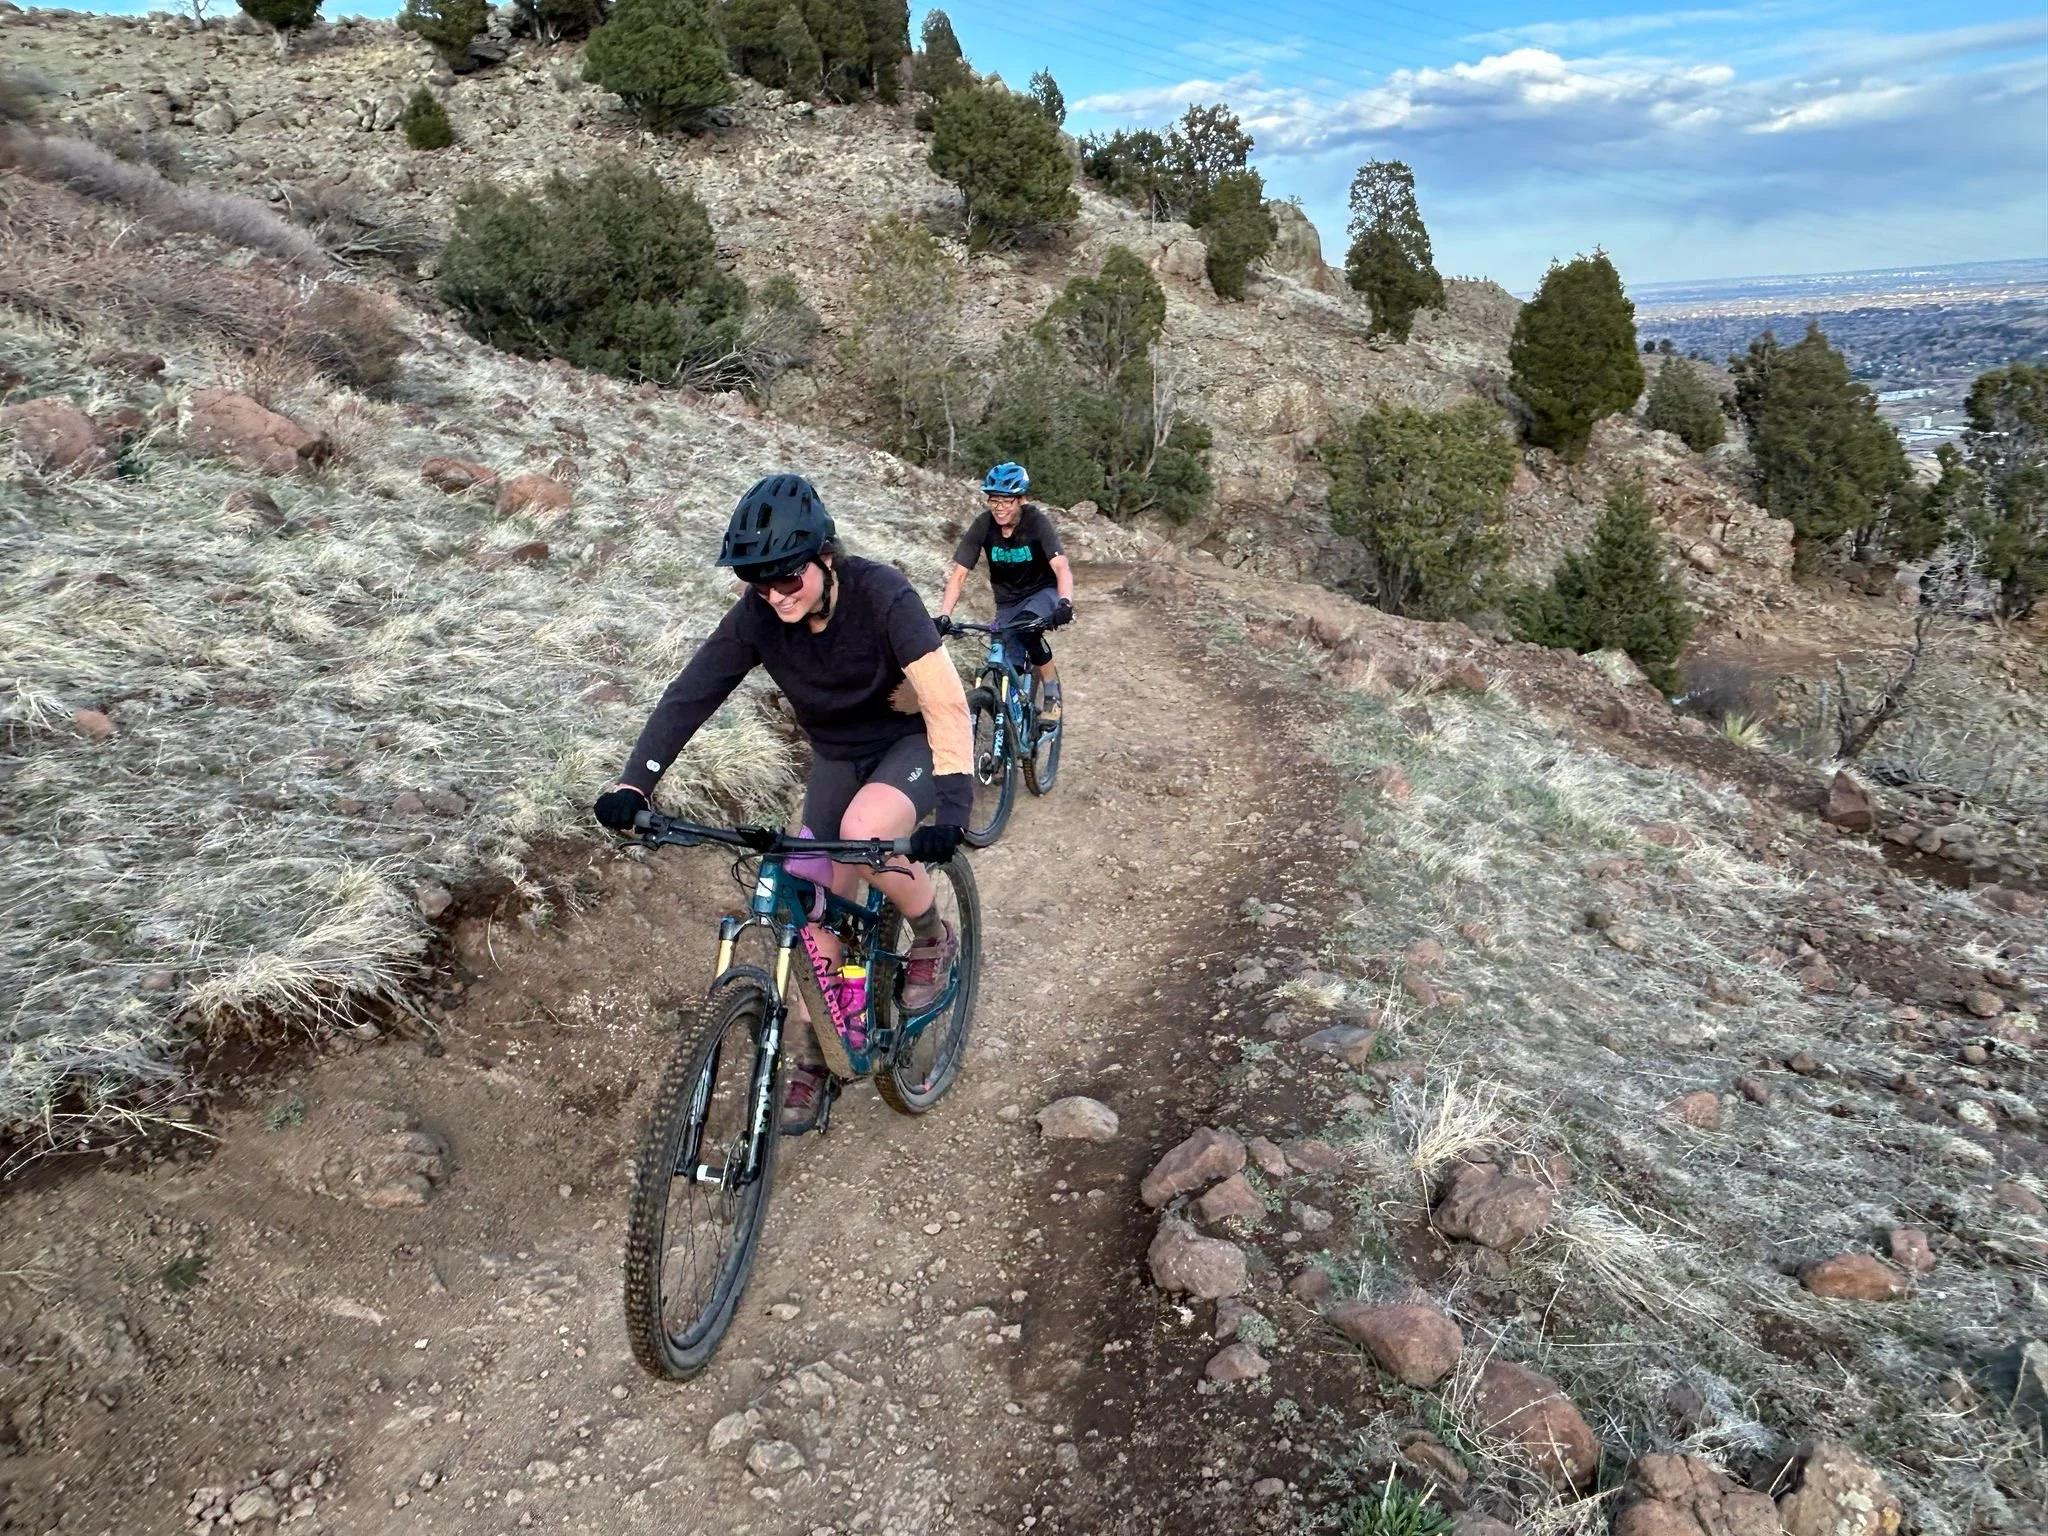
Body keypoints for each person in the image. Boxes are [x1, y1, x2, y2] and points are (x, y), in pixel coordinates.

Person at [593, 475, 973, 1133]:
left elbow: (944, 701)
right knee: (809, 893)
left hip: (904, 745)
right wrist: (635, 785)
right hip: (835, 757)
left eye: (786, 579)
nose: (773, 594)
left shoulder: (884, 596)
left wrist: (955, 810)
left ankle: (933, 935)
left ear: (826, 556)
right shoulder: (758, 617)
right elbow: (693, 693)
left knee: (866, 832)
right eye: (756, 581)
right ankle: (822, 1048)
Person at [935, 462, 1074, 724]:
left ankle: (1052, 693)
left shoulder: (1036, 522)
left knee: (1028, 630)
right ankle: (1015, 722)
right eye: (994, 500)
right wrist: (944, 615)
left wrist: (1065, 602)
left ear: (1022, 499)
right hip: (1007, 600)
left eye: (1007, 501)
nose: (999, 507)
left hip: (1041, 592)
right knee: (1004, 658)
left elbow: (1061, 566)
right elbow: (959, 573)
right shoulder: (984, 525)